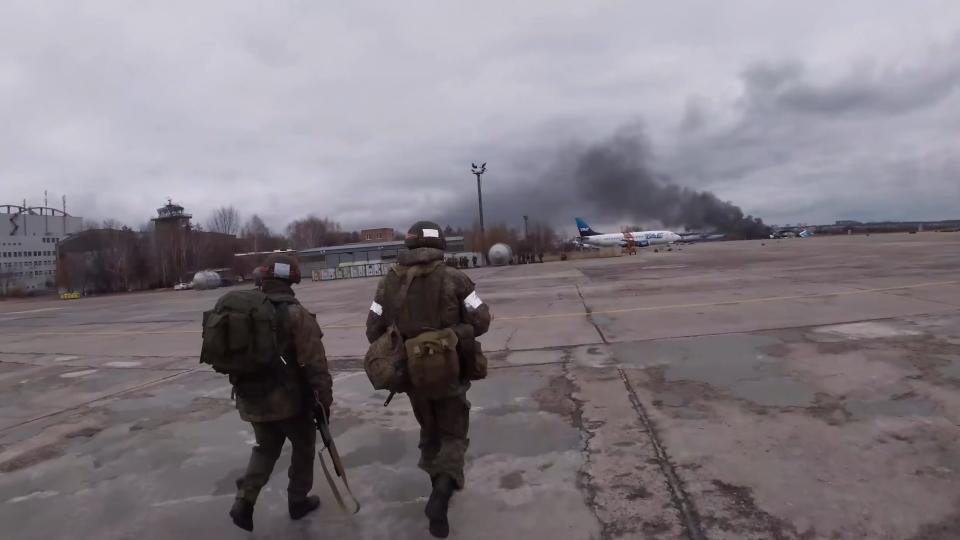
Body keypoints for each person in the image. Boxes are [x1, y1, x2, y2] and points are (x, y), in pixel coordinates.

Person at [366, 221, 491, 538]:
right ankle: (441, 494)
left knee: (430, 430)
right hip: (450, 372)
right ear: (440, 245)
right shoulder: (455, 277)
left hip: (411, 374)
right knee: (454, 434)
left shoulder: (387, 283)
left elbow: (372, 328)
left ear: (409, 245)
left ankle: (436, 484)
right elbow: (482, 319)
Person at [227, 254, 333, 532]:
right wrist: (324, 401)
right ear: (291, 279)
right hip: (288, 402)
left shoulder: (247, 311)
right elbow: (315, 364)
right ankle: (298, 501)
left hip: (250, 397)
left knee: (266, 448)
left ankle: (244, 500)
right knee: (303, 446)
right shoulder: (296, 314)